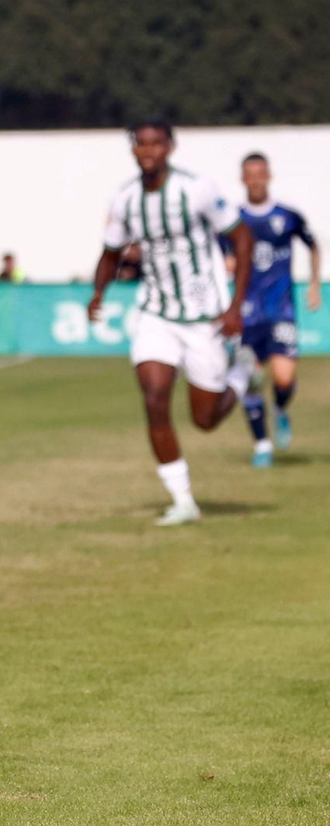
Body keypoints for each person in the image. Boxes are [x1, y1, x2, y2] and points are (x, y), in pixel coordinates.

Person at [87, 120, 253, 526]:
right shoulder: (125, 199)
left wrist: (234, 306)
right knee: (154, 396)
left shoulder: (196, 190)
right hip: (155, 313)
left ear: (170, 147)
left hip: (203, 316)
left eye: (156, 143)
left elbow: (243, 239)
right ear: (132, 150)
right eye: (140, 144)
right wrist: (98, 293)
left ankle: (244, 374)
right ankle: (182, 500)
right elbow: (111, 252)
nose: (148, 151)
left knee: (205, 420)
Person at [223, 152, 320, 467]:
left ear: (268, 176)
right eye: (249, 173)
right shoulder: (233, 221)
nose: (255, 179)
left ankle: (279, 409)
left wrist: (315, 284)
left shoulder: (287, 216)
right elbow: (224, 260)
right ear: (242, 178)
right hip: (247, 314)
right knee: (250, 378)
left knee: (283, 377)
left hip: (281, 310)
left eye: (260, 173)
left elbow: (313, 245)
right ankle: (262, 446)